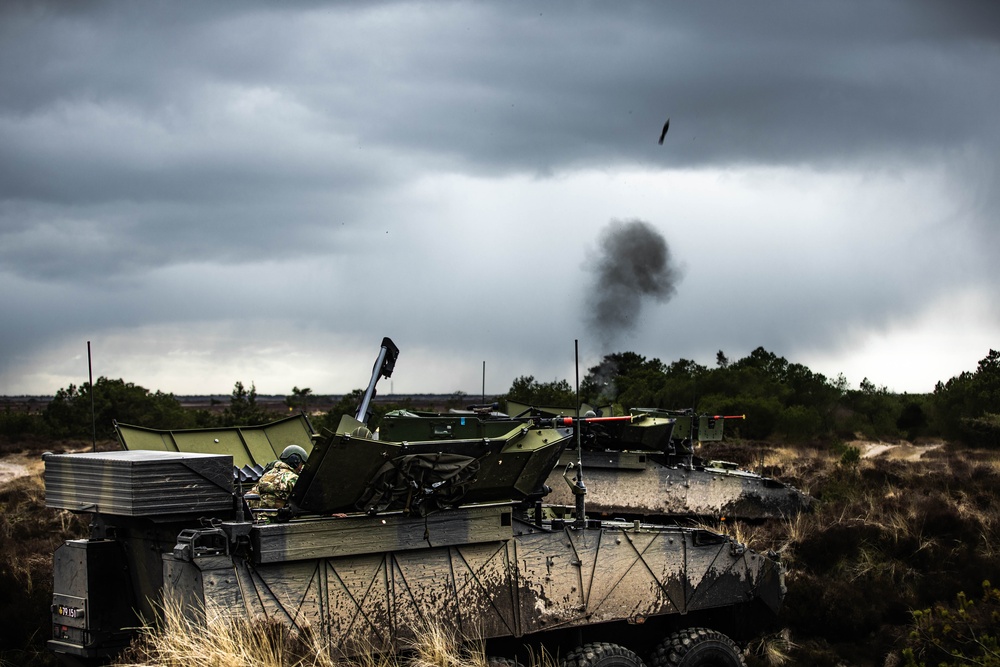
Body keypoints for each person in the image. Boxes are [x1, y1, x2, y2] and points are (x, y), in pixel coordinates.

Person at [249, 444, 308, 511]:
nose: (301, 468)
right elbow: (306, 499)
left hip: (260, 516)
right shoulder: (292, 478)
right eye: (301, 464)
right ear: (295, 462)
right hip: (278, 517)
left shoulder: (267, 474)